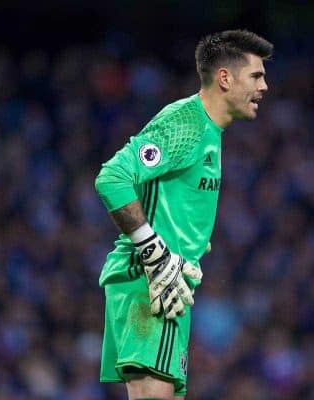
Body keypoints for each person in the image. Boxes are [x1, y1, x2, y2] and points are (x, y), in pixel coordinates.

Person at [94, 29, 273, 400]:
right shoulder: (185, 124)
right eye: (256, 75)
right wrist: (152, 251)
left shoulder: (211, 132)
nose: (265, 86)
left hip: (169, 287)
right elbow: (112, 177)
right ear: (225, 78)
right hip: (151, 282)